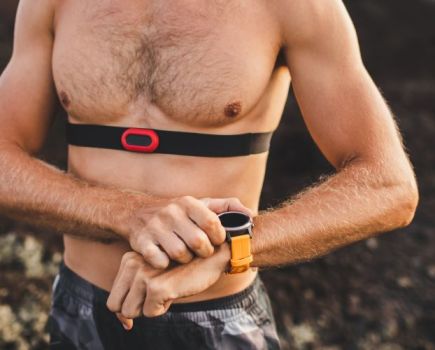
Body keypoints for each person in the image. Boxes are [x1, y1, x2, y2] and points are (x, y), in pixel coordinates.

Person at [0, 0, 418, 349]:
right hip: (84, 310)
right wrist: (126, 213)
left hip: (217, 321)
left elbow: (389, 184)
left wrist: (231, 250)